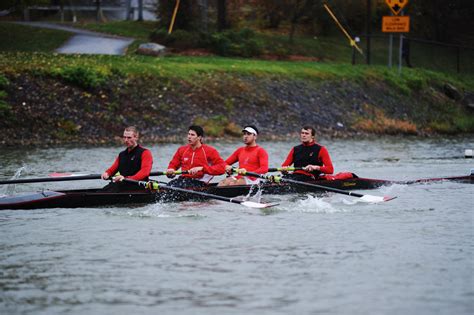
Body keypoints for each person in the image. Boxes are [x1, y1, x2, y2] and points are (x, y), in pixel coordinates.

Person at [101, 126, 153, 191]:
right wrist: (107, 173)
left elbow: (144, 172)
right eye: (124, 137)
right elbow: (112, 170)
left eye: (129, 138)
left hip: (137, 187)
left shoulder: (145, 153)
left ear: (136, 137)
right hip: (122, 185)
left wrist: (126, 178)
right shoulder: (122, 154)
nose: (126, 140)